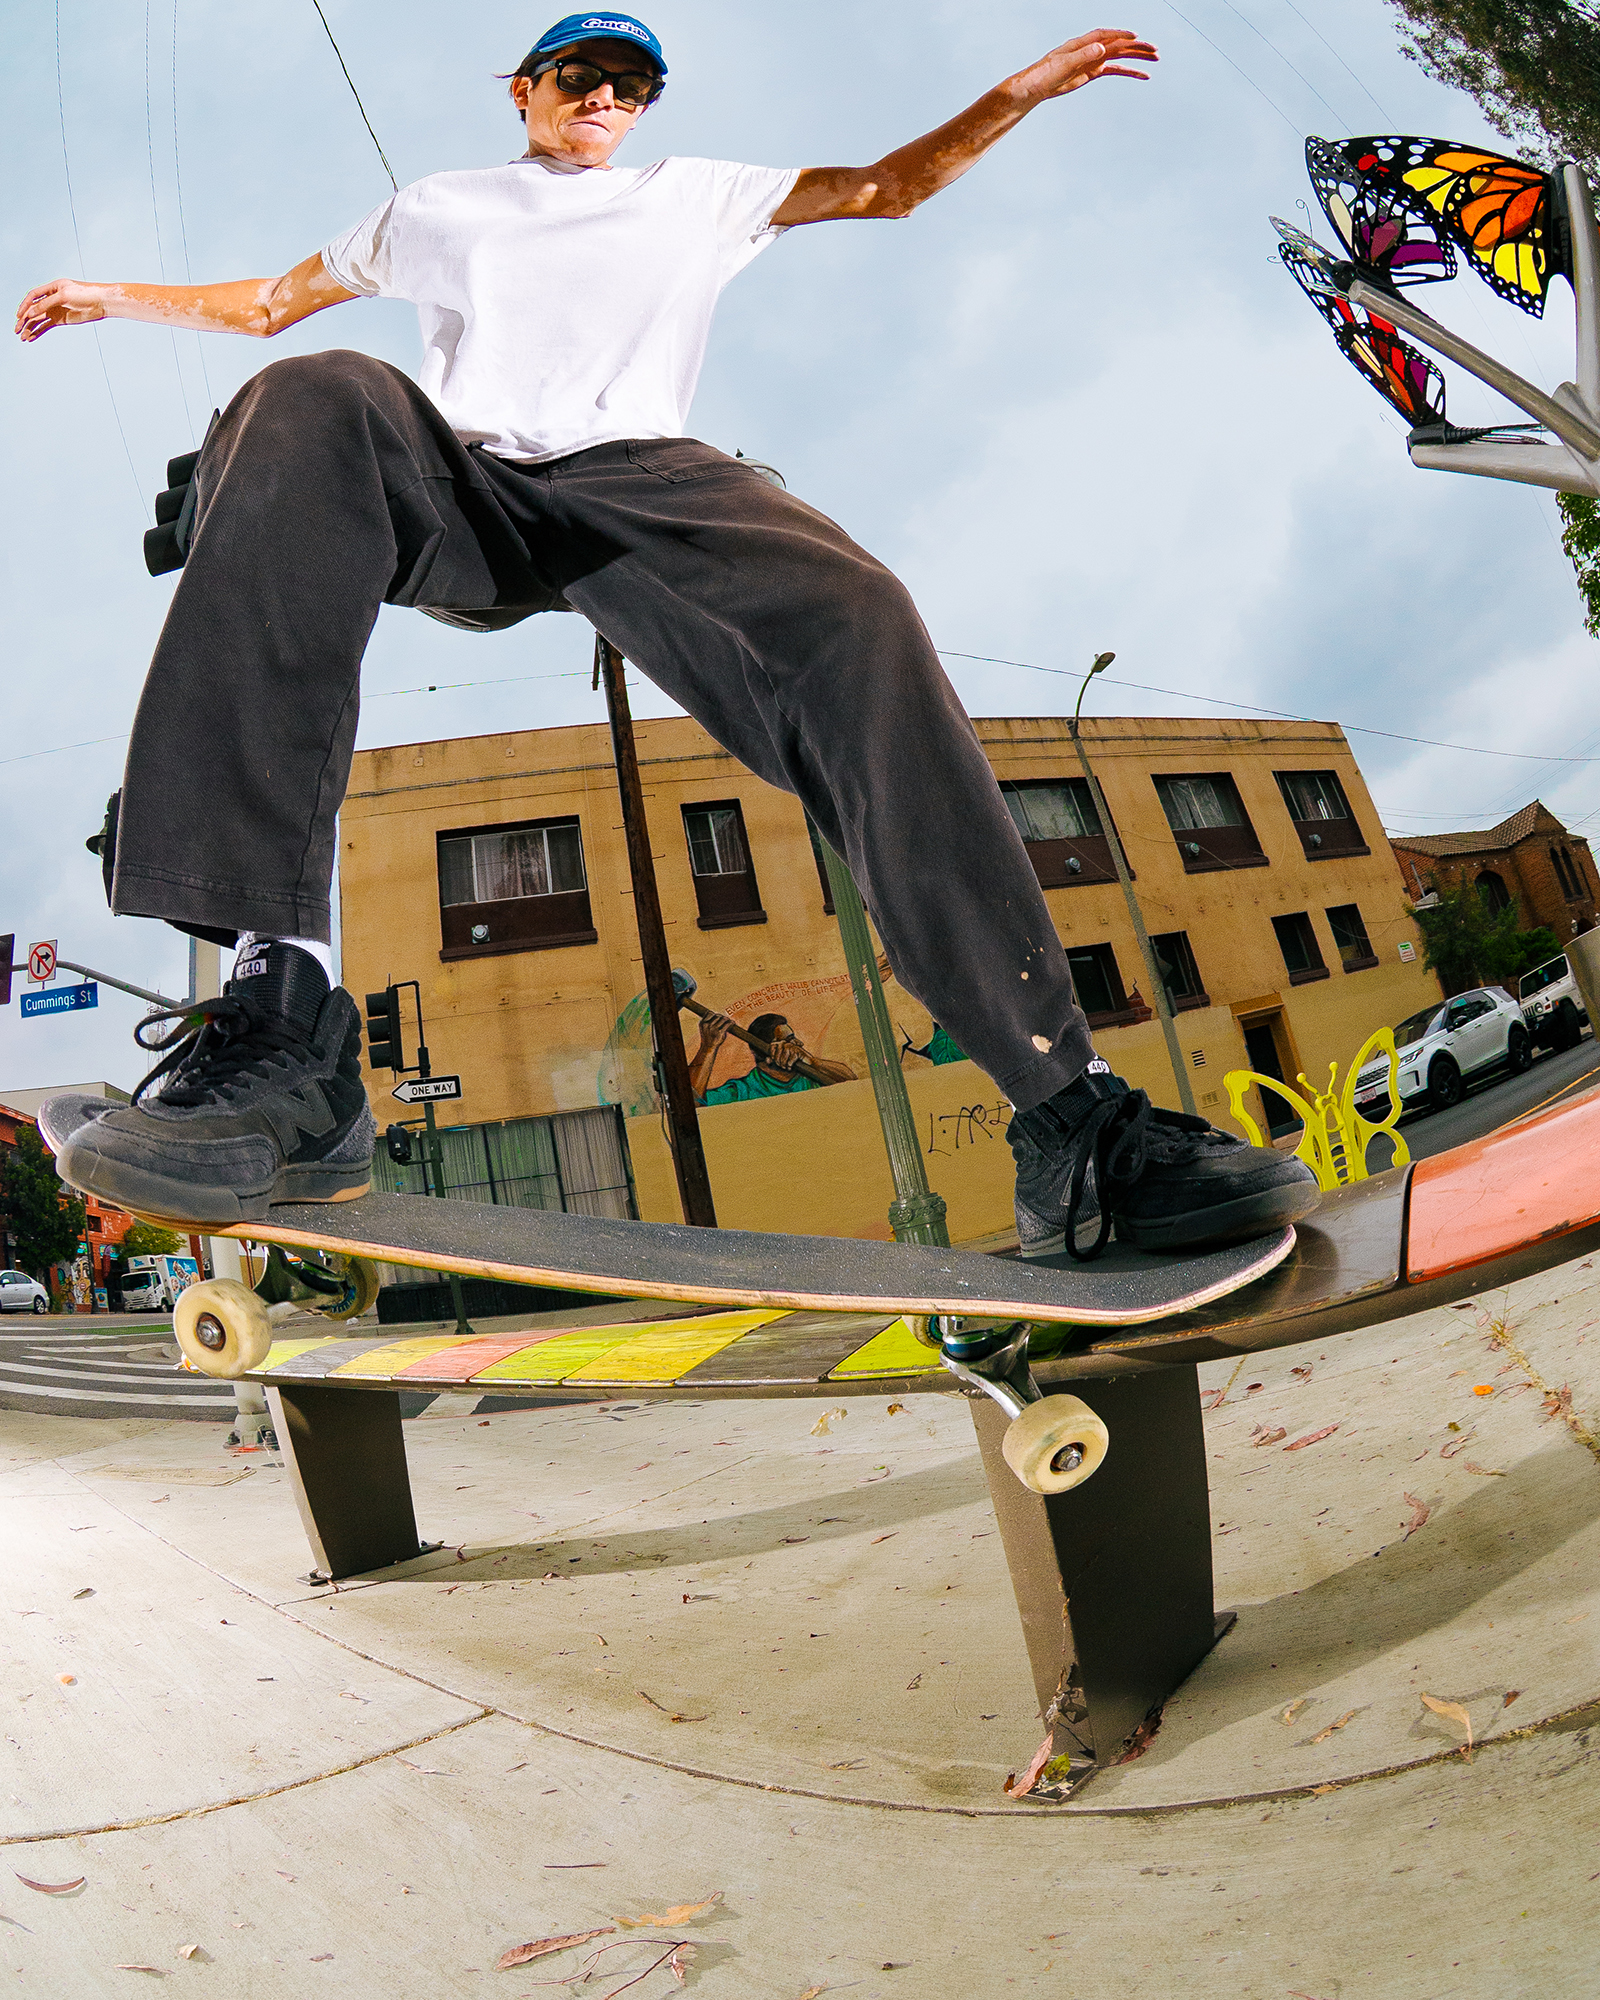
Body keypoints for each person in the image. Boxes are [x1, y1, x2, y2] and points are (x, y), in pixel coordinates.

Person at [14, 14, 1317, 1260]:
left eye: (629, 87)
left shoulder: (696, 194)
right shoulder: (437, 208)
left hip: (648, 481)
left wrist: (1012, 98)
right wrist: (105, 295)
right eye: (578, 76)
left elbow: (887, 188)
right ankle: (283, 1024)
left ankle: (1067, 1111)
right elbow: (265, 304)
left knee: (859, 612)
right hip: (466, 488)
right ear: (522, 89)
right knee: (309, 394)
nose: (603, 100)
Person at [688, 1012, 855, 1105]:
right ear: (765, 1054)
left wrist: (813, 1062)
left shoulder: (810, 1080)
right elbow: (692, 1105)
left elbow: (853, 1083)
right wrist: (708, 1049)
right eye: (789, 1041)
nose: (799, 1044)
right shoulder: (741, 1092)